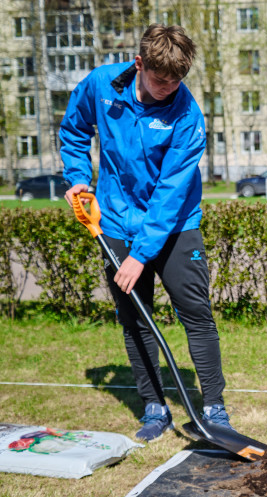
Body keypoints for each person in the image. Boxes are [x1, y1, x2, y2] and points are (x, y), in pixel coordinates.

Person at [60, 24, 233, 442]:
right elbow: (74, 131)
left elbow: (170, 194)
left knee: (196, 314)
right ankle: (155, 407)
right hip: (116, 221)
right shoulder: (101, 85)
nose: (168, 88)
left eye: (177, 80)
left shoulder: (187, 115)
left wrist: (141, 255)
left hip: (175, 225)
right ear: (139, 64)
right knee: (134, 318)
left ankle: (213, 409)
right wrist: (80, 176)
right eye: (160, 79)